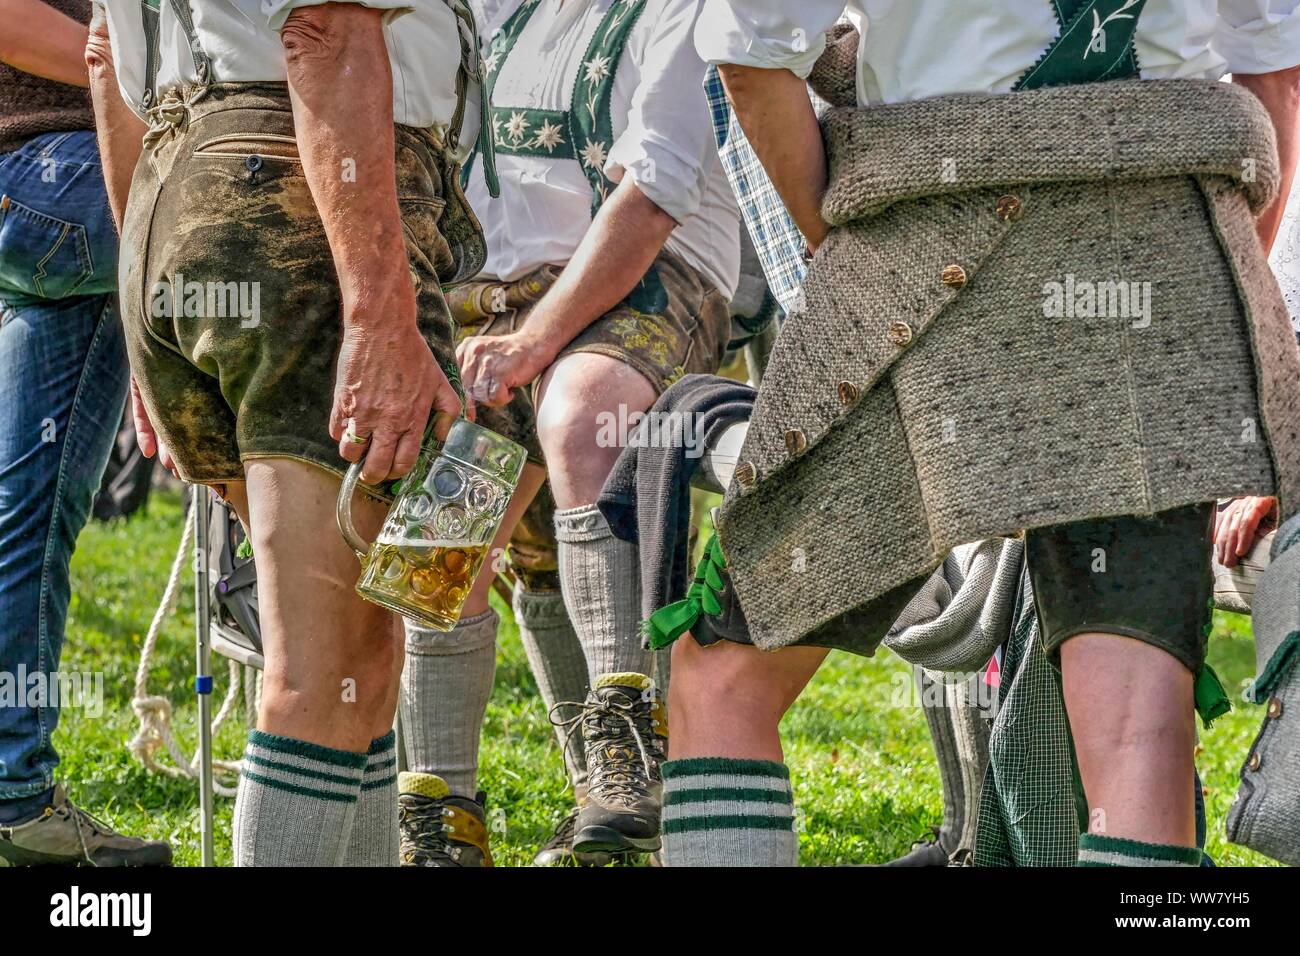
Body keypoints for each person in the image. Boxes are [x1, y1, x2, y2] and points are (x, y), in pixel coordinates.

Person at [658, 0, 1300, 867]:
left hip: (932, 250)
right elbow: (1274, 69)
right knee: (1136, 731)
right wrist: (1211, 301)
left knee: (725, 673)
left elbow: (749, 48)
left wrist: (851, 261)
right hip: (1168, 252)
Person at [88, 0, 489, 866]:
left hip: (177, 198)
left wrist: (142, 294)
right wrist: (381, 317)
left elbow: (100, 56)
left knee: (360, 659)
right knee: (324, 674)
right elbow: (325, 31)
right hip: (295, 199)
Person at [394, 0, 740, 865]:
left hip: (651, 275)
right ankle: (440, 810)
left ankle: (628, 745)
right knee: (444, 503)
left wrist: (535, 342)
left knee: (584, 412)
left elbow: (653, 195)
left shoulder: (687, 8)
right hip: (501, 295)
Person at [0, 0, 169, 866]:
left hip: (61, 183)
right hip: (44, 172)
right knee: (255, 229)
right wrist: (157, 86)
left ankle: (16, 802)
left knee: (30, 510)